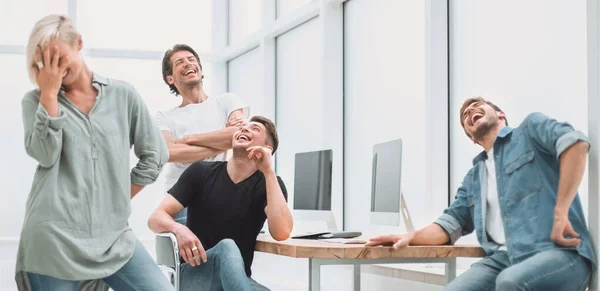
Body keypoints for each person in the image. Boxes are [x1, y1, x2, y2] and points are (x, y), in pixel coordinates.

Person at [367, 97, 595, 291]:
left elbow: (575, 144)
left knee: (510, 282)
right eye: (465, 115)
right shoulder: (474, 177)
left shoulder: (530, 129)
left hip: (561, 253)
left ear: (500, 113)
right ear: (473, 138)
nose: (469, 112)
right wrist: (409, 237)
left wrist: (561, 211)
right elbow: (448, 226)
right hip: (504, 259)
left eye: (476, 105)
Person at [15, 15, 172, 291]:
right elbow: (46, 154)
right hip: (52, 241)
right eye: (45, 64)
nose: (55, 72)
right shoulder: (35, 101)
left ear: (79, 43)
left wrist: (116, 200)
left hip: (113, 237)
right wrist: (49, 96)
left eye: (59, 59)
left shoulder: (123, 95)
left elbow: (155, 155)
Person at [148, 116, 293, 291]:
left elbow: (282, 232)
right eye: (243, 127)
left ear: (267, 148)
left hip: (235, 281)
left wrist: (269, 171)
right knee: (226, 247)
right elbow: (155, 218)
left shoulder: (271, 185)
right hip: (193, 276)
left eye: (255, 129)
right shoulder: (201, 171)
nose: (244, 129)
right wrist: (180, 229)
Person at [155, 44, 249, 225]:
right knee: (191, 254)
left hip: (218, 197)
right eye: (179, 62)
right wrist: (223, 142)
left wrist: (190, 140)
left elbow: (239, 134)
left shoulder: (227, 101)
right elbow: (169, 153)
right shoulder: (164, 117)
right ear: (170, 78)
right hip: (180, 199)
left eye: (191, 59)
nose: (187, 63)